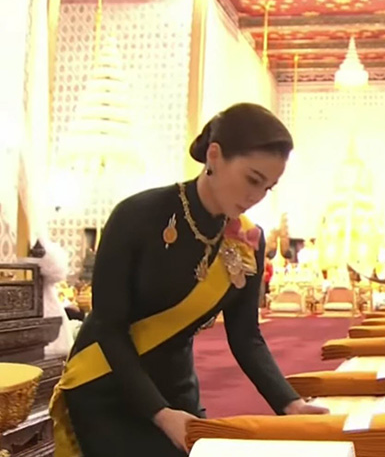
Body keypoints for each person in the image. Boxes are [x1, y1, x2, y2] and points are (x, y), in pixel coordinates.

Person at [50, 103, 328, 457]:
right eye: (252, 179)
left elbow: (246, 337)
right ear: (214, 156)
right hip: (109, 384)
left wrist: (290, 404)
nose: (256, 197)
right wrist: (160, 413)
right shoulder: (136, 215)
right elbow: (109, 327)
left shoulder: (248, 241)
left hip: (178, 393)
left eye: (268, 188)